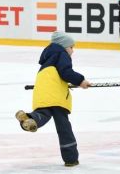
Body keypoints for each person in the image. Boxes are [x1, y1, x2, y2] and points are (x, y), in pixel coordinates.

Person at [15, 31, 91, 167]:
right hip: (55, 94)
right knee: (64, 127)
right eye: (71, 47)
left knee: (43, 114)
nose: (72, 51)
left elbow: (55, 76)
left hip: (42, 89)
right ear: (63, 46)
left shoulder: (48, 60)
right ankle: (71, 158)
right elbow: (66, 72)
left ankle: (29, 118)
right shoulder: (61, 54)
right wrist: (81, 81)